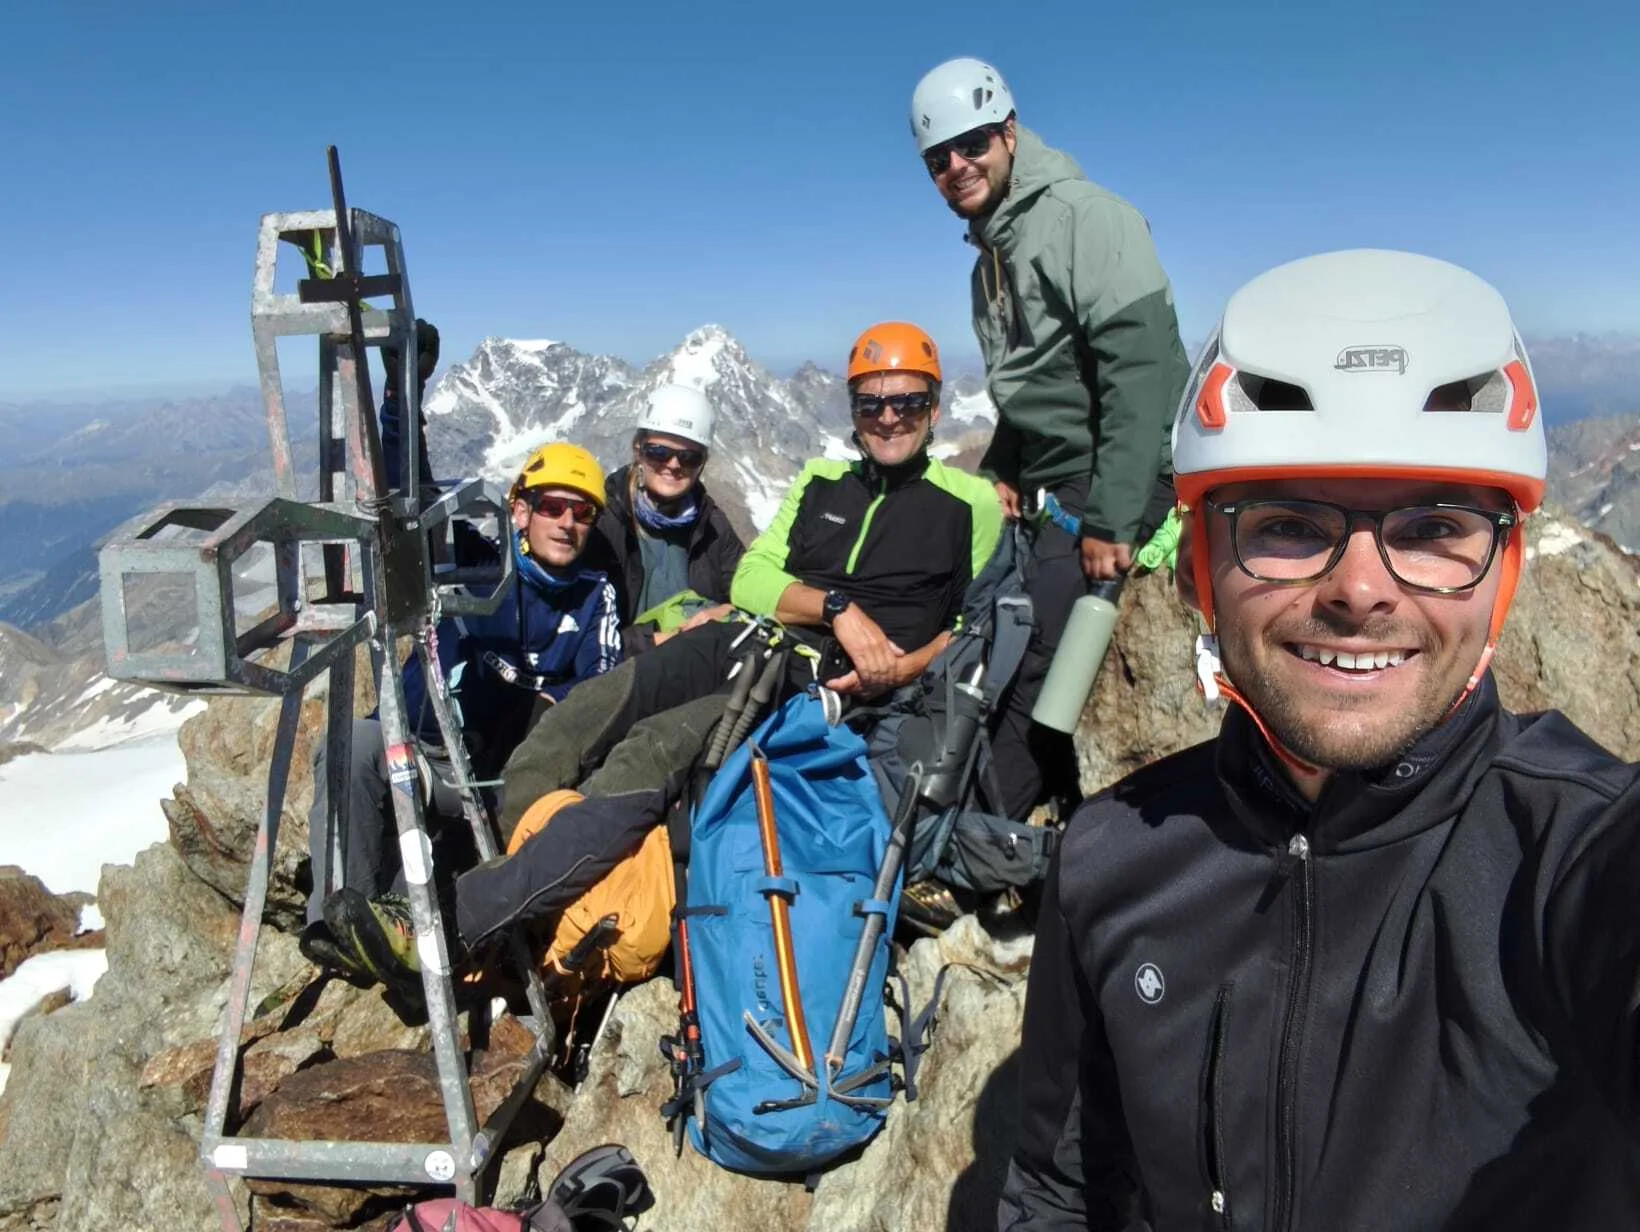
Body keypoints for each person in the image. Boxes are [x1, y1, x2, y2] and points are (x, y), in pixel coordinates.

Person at [999, 249, 1640, 1230]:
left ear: (1502, 578)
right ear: (1200, 569)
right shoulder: (1108, 858)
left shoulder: (1573, 853)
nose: (1359, 589)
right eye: (1288, 524)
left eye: (1433, 527)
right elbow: (1061, 1191)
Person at [320, 323, 1004, 985]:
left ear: (935, 407)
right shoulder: (819, 480)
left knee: (649, 751)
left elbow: (976, 623)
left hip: (809, 680)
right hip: (741, 638)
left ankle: (453, 925)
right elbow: (753, 581)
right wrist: (834, 607)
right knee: (581, 718)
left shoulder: (970, 504)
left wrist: (901, 666)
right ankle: (509, 890)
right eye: (871, 403)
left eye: (907, 401)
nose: (889, 417)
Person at [909, 57, 1190, 820]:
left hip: (1124, 471)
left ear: (1009, 132)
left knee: (1034, 641)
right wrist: (1004, 461)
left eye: (972, 144)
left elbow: (1139, 373)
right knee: (982, 609)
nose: (957, 167)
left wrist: (1112, 516)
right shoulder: (992, 260)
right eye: (938, 159)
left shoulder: (1085, 220)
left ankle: (985, 825)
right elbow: (1038, 380)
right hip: (1060, 474)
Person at [302, 442, 622, 970]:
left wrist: (549, 702)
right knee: (351, 746)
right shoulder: (476, 563)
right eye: (552, 506)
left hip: (492, 782)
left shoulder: (594, 597)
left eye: (582, 512)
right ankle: (338, 925)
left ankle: (392, 938)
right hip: (419, 752)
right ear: (520, 511)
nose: (567, 523)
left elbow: (601, 688)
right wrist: (400, 413)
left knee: (444, 877)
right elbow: (413, 500)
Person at [582, 383, 745, 655]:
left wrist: (724, 612)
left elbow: (748, 594)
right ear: (638, 450)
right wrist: (663, 640)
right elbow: (580, 631)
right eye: (659, 452)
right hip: (621, 670)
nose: (673, 465)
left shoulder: (713, 525)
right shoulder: (603, 520)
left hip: (699, 666)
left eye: (689, 457)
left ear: (702, 463)